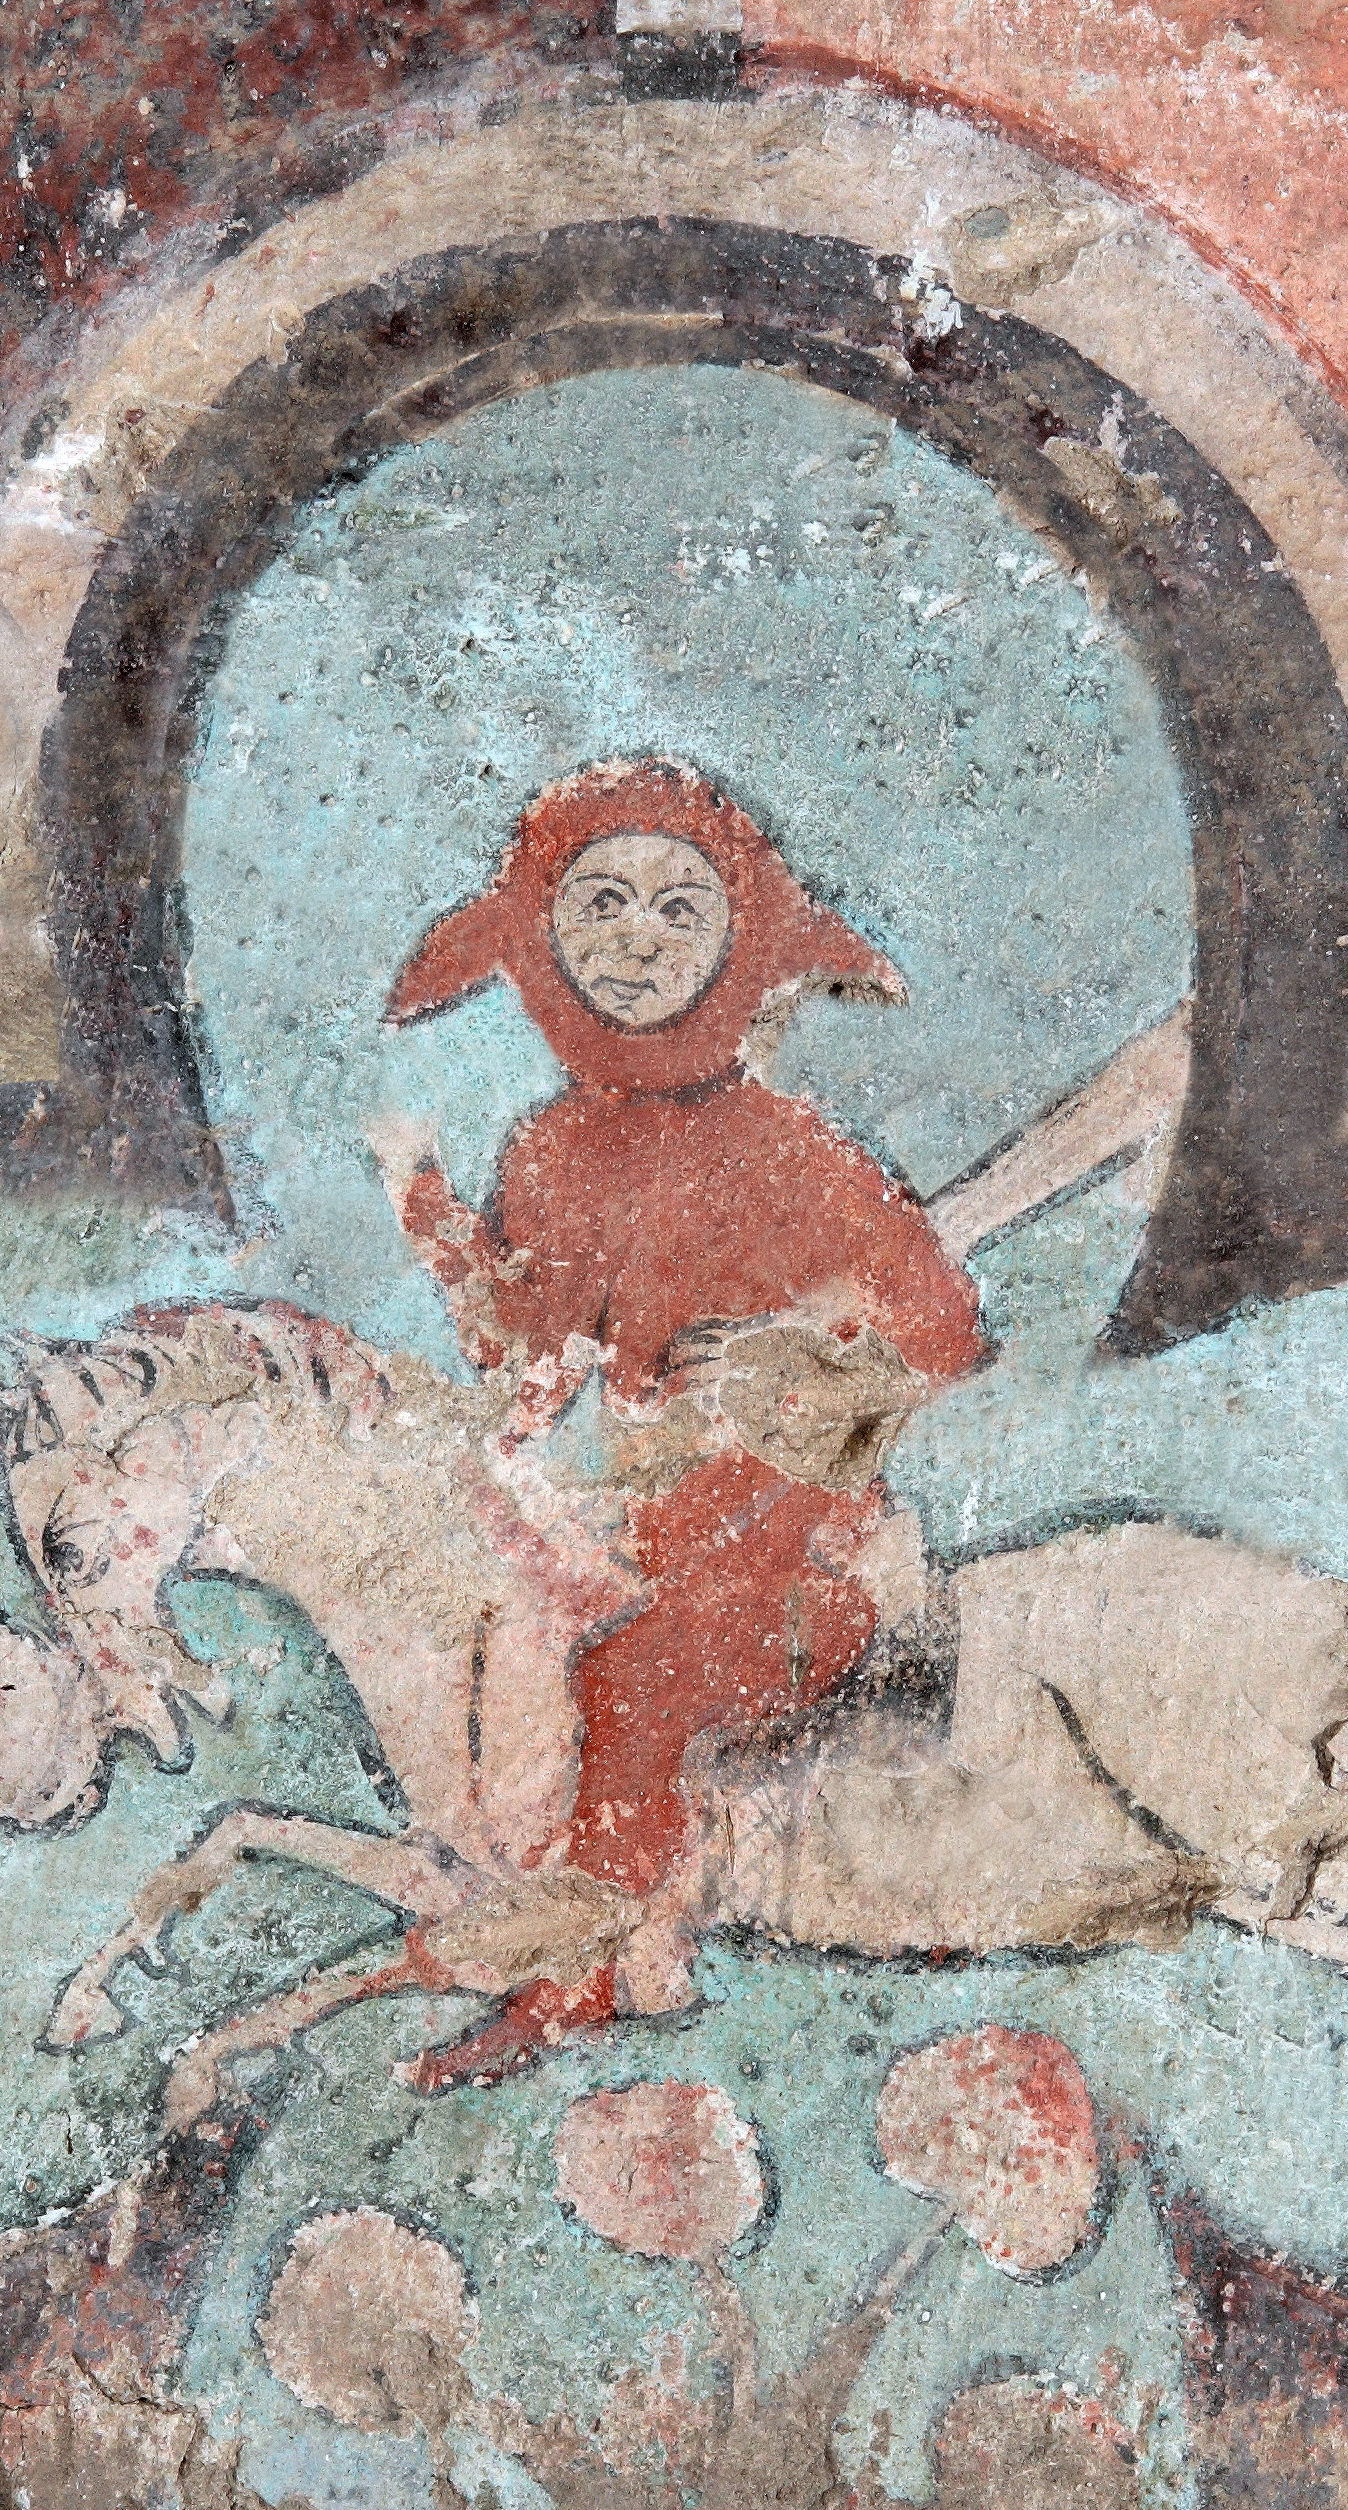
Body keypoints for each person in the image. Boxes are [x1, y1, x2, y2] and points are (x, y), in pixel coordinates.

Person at [378, 758, 987, 2084]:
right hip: (636, 1503)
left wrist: (787, 1353)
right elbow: (529, 1357)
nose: (634, 942)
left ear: (737, 938)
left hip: (786, 1523)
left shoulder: (791, 1143)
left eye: (676, 910)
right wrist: (424, 1209)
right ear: (537, 938)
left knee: (632, 1674)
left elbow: (944, 1327)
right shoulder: (547, 1149)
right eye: (596, 905)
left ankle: (580, 1984)